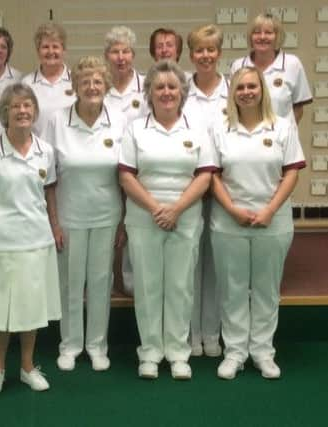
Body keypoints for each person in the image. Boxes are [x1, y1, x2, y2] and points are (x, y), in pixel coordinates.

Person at [118, 60, 216, 380]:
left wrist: (176, 209)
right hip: (144, 218)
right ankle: (149, 353)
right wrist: (156, 208)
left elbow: (204, 176)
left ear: (182, 92)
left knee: (180, 286)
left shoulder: (197, 128)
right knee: (147, 287)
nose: (166, 92)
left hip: (185, 218)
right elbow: (126, 175)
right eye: (159, 86)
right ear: (149, 92)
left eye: (172, 86)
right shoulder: (135, 128)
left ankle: (177, 353)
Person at [210, 67, 305, 380]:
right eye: (241, 87)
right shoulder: (220, 128)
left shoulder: (281, 127)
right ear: (233, 93)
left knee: (266, 290)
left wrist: (269, 210)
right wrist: (233, 210)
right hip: (228, 222)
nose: (247, 92)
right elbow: (212, 175)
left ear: (262, 90)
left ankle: (263, 352)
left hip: (272, 222)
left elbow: (291, 172)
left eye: (252, 86)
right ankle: (235, 352)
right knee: (233, 289)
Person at [0, 83, 61, 393]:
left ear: (35, 112)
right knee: (1, 307)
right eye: (15, 106)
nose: (22, 111)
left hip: (37, 239)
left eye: (28, 106)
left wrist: (54, 227)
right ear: (5, 113)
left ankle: (26, 366)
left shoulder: (45, 150)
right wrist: (3, 220)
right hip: (3, 242)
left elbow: (49, 193)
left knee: (31, 306)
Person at [43, 56, 125, 372]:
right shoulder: (56, 121)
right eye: (85, 81)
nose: (92, 87)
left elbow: (126, 174)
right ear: (75, 87)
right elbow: (47, 178)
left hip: (107, 215)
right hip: (69, 215)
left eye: (97, 81)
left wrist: (123, 221)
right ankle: (70, 344)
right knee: (70, 282)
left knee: (102, 281)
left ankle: (97, 346)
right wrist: (53, 222)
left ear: (106, 86)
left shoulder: (119, 120)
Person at [182, 24, 229, 358]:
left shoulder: (234, 91)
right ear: (190, 54)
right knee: (189, 263)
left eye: (211, 49)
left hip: (226, 189)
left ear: (220, 53)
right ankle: (190, 334)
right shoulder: (181, 90)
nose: (205, 56)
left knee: (216, 264)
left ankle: (212, 334)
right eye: (199, 50)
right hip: (190, 187)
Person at [103, 25, 149, 295]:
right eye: (114, 52)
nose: (121, 57)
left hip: (137, 168)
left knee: (133, 221)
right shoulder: (100, 85)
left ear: (133, 54)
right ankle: (103, 280)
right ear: (107, 55)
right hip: (106, 166)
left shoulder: (145, 86)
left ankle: (132, 283)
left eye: (126, 51)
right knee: (109, 223)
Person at [229, 13, 312, 124]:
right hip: (247, 137)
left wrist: (285, 134)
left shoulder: (292, 64)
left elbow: (298, 108)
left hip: (281, 138)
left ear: (277, 36)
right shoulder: (238, 66)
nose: (262, 37)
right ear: (251, 37)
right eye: (257, 32)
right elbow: (233, 105)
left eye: (268, 32)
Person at [22, 23, 76, 136]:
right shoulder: (27, 84)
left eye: (55, 46)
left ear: (64, 50)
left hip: (70, 151)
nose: (51, 52)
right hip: (38, 150)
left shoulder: (77, 82)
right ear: (38, 51)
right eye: (45, 47)